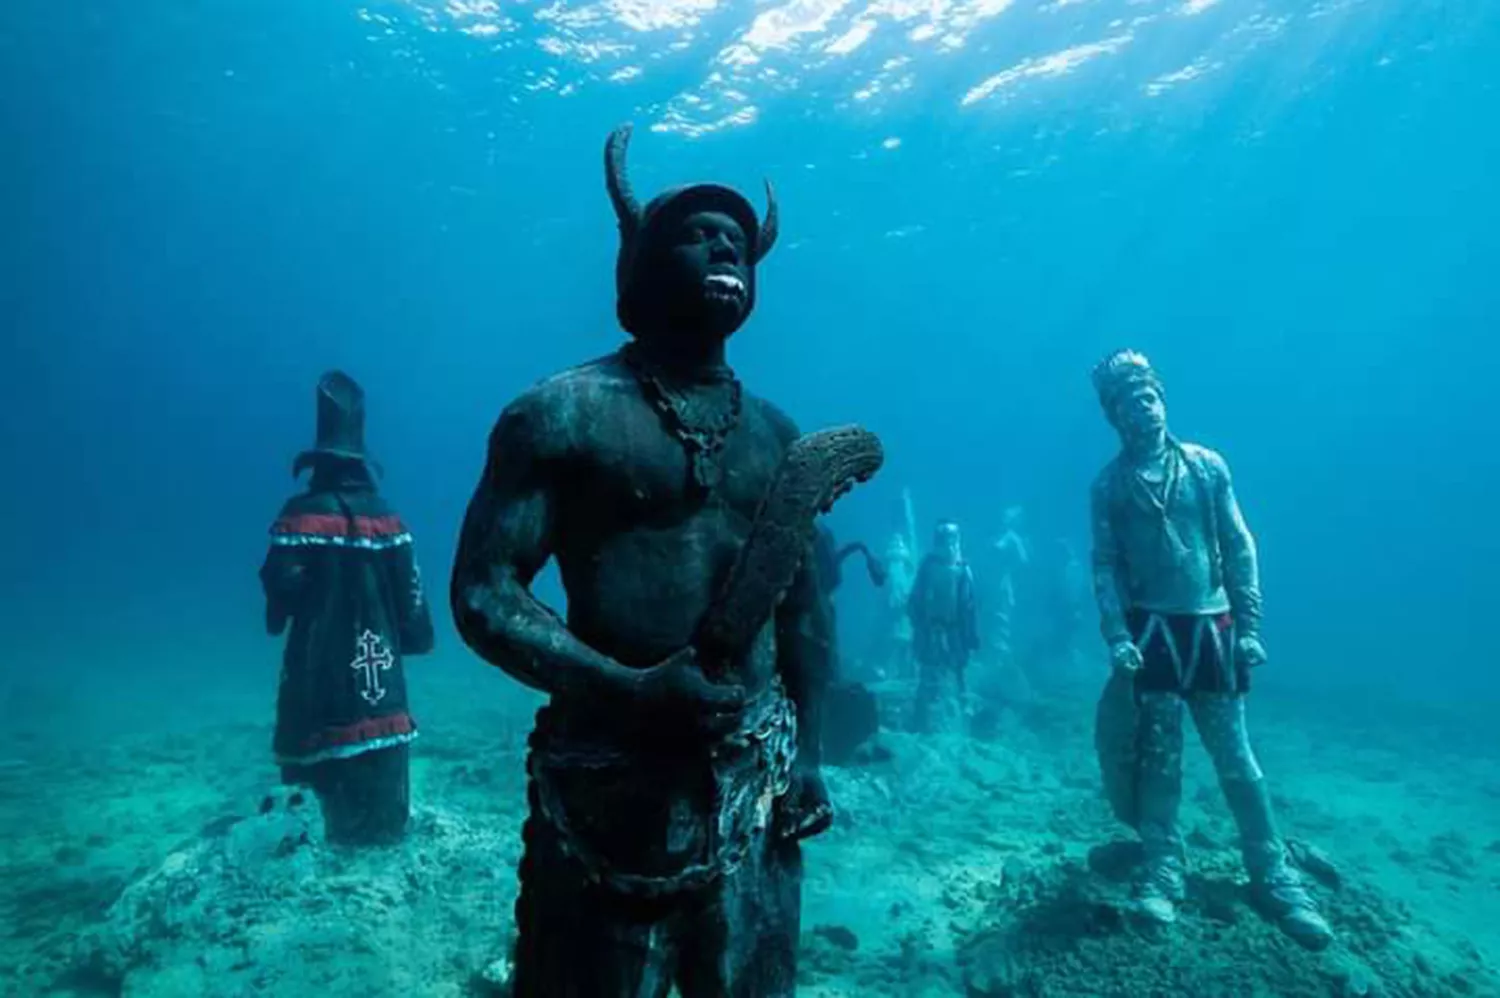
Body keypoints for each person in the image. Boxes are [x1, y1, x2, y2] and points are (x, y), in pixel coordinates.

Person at [450, 124, 839, 997]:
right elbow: (482, 593)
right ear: (638, 266)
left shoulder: (780, 437)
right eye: (695, 231)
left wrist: (808, 755)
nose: (725, 241)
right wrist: (622, 689)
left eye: (736, 236)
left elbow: (807, 613)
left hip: (758, 786)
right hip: (605, 791)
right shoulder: (559, 415)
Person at [1088, 349, 1332, 949]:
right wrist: (1117, 634)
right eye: (1130, 401)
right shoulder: (1110, 486)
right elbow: (1105, 565)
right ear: (1115, 416)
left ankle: (1272, 871)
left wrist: (1249, 623)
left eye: (1150, 395)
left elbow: (1237, 543)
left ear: (1163, 398)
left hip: (1212, 631)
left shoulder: (1204, 467)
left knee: (1237, 758)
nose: (1144, 406)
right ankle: (1164, 868)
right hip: (1155, 637)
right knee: (1161, 759)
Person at [260, 371, 434, 846]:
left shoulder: (300, 515)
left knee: (311, 837)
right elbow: (415, 620)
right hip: (386, 703)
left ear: (319, 460)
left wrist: (283, 606)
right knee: (383, 836)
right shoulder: (390, 519)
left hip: (318, 695)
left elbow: (279, 600)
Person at [908, 521, 979, 733]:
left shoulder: (963, 570)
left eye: (953, 540)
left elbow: (969, 605)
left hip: (955, 629)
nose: (950, 545)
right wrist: (919, 623)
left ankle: (963, 715)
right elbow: (916, 599)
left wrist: (971, 633)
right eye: (945, 540)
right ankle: (924, 718)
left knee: (958, 670)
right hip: (931, 629)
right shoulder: (928, 567)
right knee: (929, 670)